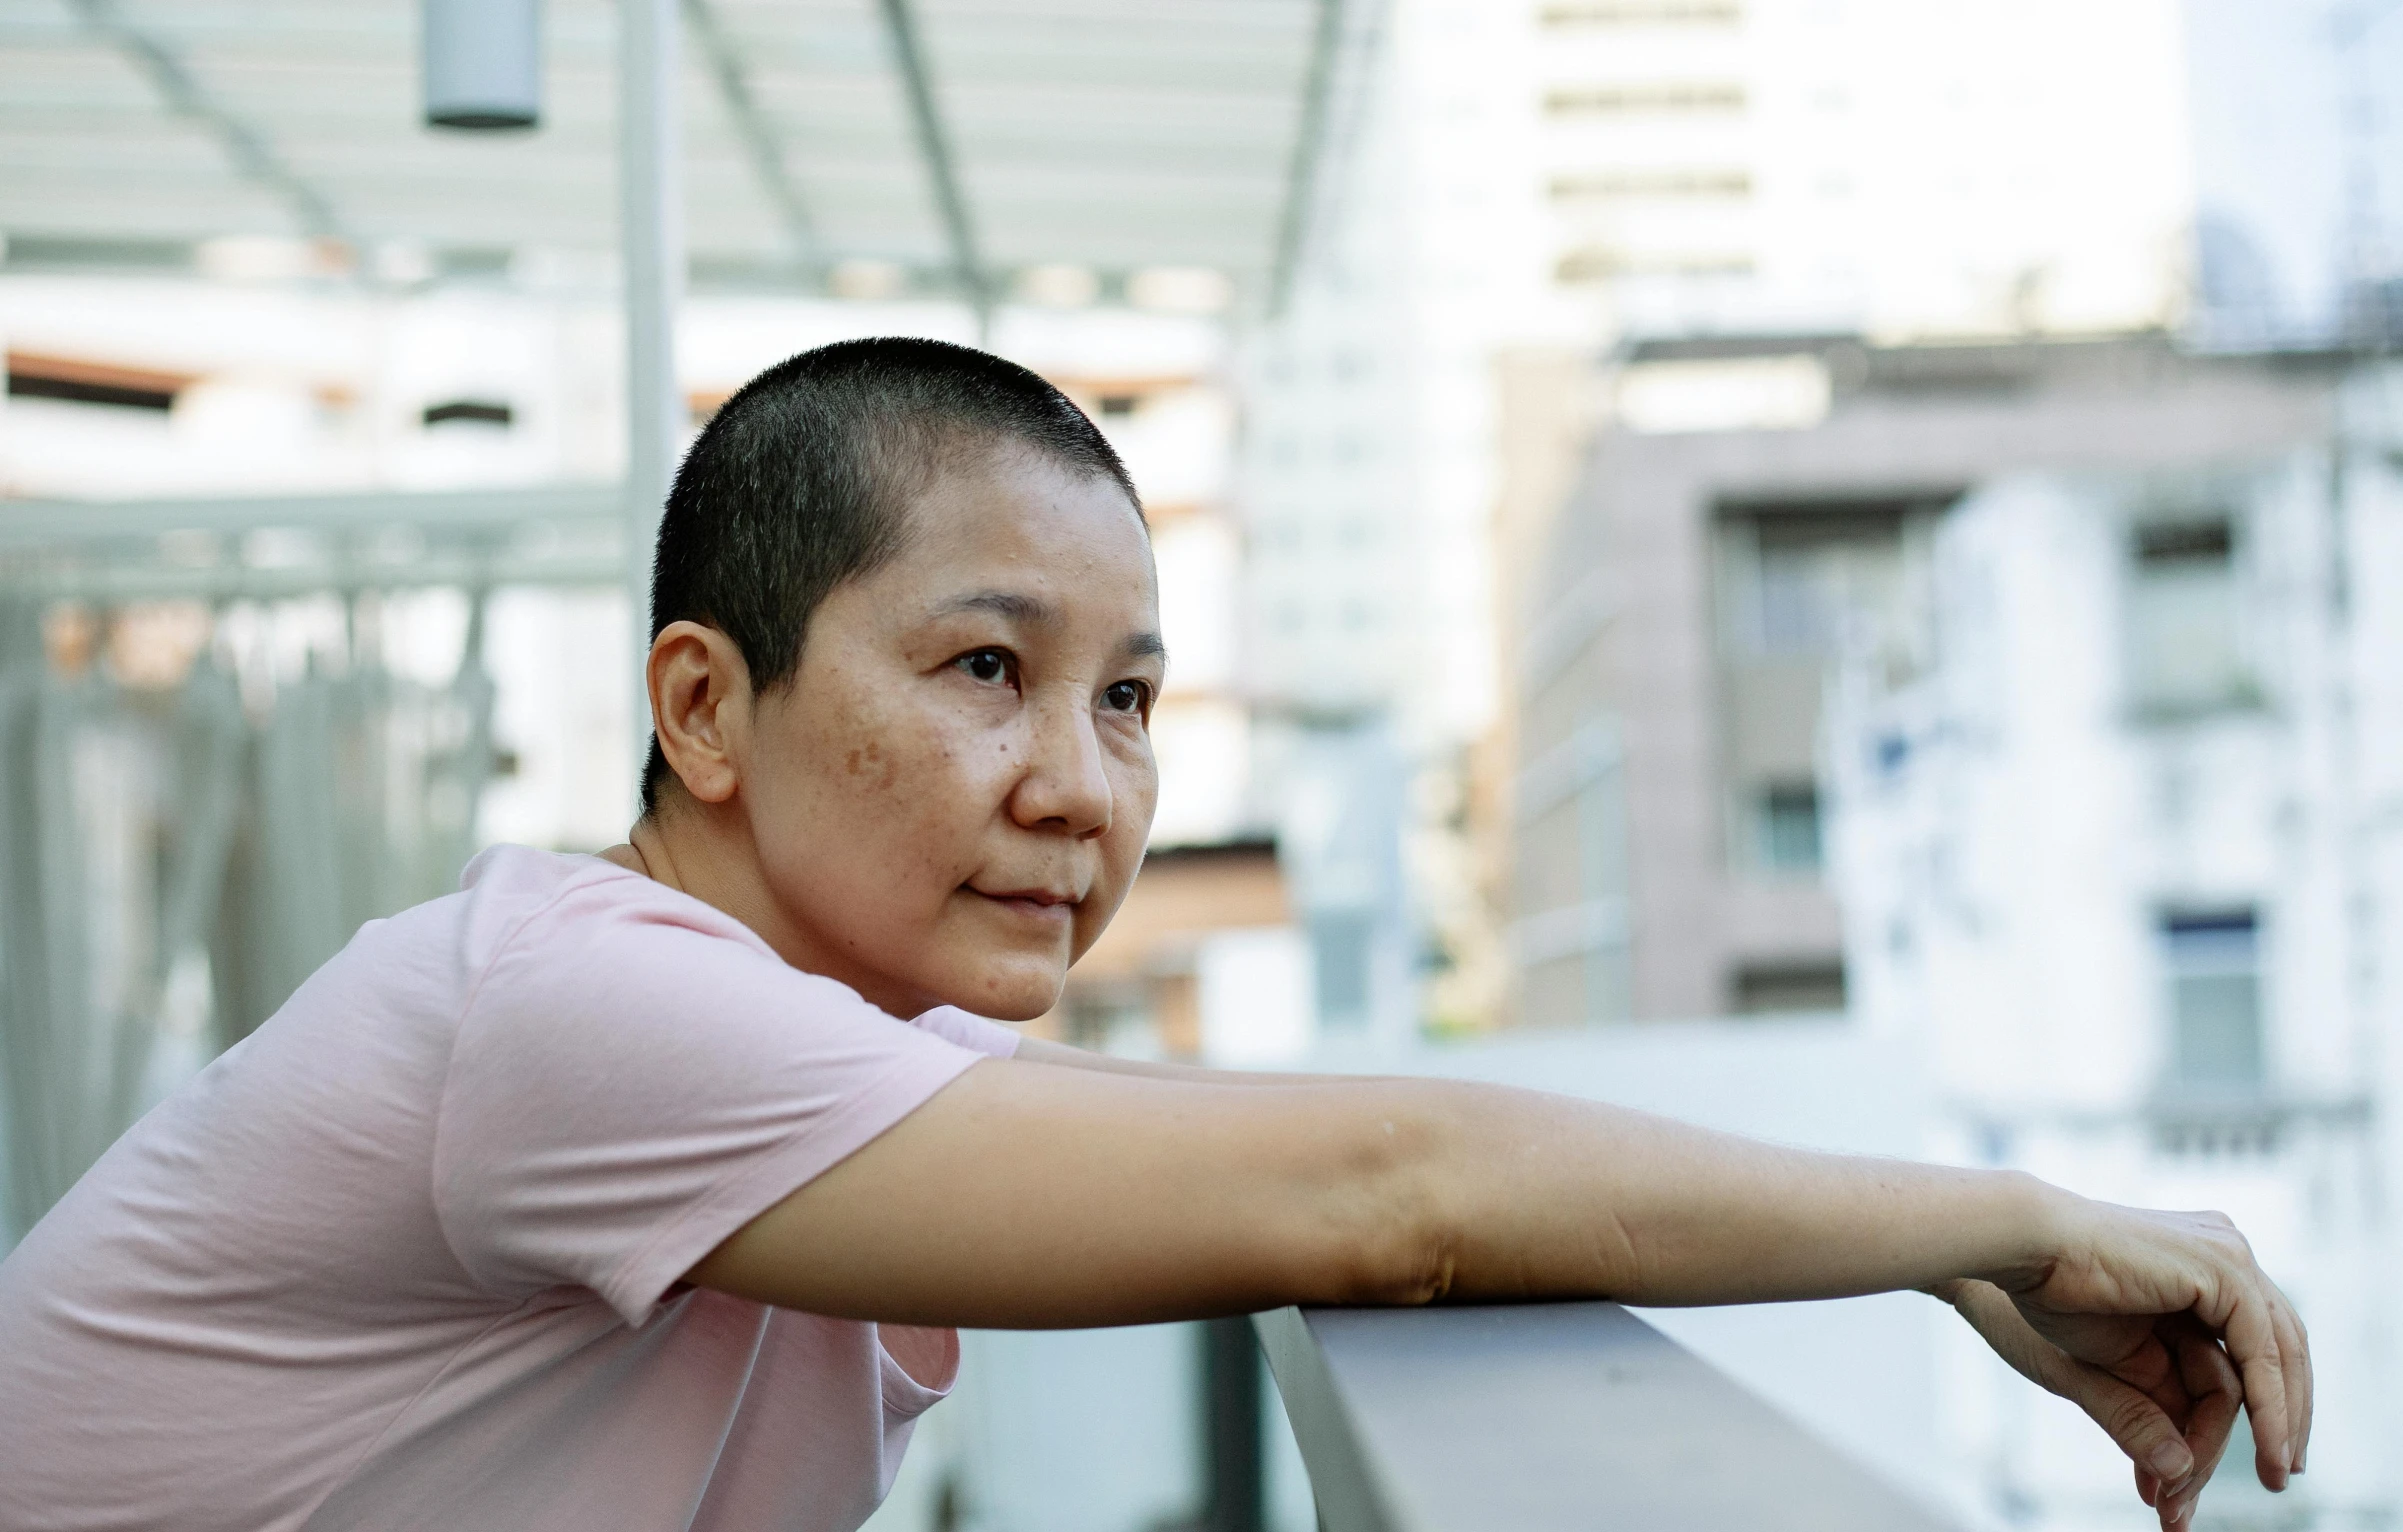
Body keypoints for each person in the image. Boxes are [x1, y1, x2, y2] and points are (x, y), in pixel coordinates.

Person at [0, 338, 2307, 1531]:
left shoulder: (793, 1047)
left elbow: (1311, 1159)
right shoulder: (579, 1012)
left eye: (1126, 699)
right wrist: (1986, 1225)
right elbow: (1382, 1197)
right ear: (705, 706)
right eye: (982, 669)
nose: (1083, 790)